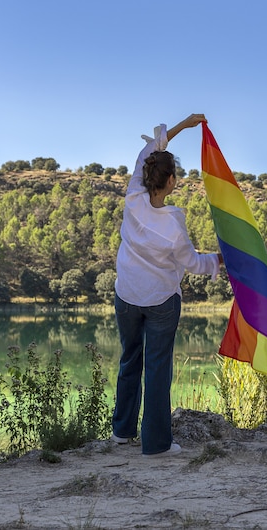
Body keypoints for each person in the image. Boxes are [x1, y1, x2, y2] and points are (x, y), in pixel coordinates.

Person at [111, 114, 222, 456]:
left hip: (127, 296)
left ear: (148, 174)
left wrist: (180, 127)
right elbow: (192, 263)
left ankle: (122, 432)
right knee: (157, 369)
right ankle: (157, 445)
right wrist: (218, 260)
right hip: (160, 302)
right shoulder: (174, 224)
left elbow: (149, 149)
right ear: (171, 181)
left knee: (130, 359)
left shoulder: (133, 196)